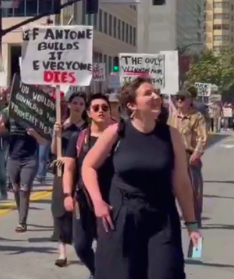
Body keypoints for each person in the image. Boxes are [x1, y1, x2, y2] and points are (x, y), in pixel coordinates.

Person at [82, 78, 202, 279]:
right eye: (148, 93)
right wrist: (97, 202)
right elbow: (88, 166)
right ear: (131, 105)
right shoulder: (116, 133)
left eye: (156, 93)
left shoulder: (171, 135)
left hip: (161, 219)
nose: (155, 96)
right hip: (122, 219)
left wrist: (192, 225)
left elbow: (182, 183)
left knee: (166, 273)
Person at [63, 93, 116, 278]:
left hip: (111, 200)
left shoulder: (118, 138)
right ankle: (98, 273)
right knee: (81, 245)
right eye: (96, 108)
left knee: (105, 244)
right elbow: (69, 168)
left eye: (105, 107)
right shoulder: (79, 138)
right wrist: (67, 195)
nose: (101, 111)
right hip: (83, 200)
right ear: (88, 113)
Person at [0, 91, 53, 236]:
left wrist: (34, 134)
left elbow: (44, 141)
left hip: (30, 158)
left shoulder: (34, 116)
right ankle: (21, 213)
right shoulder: (8, 114)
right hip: (13, 158)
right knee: (16, 190)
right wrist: (2, 118)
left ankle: (22, 221)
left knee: (24, 189)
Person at [50, 92, 87, 265]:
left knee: (81, 209)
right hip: (62, 172)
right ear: (69, 105)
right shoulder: (61, 125)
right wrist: (56, 133)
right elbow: (53, 150)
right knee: (60, 210)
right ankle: (62, 253)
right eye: (75, 103)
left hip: (82, 172)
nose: (78, 106)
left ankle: (84, 244)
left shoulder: (87, 127)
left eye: (81, 103)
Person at [167, 87, 208, 228]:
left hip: (189, 155)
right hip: (173, 155)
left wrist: (197, 153)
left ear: (189, 101)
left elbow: (202, 138)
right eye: (177, 98)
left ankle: (196, 218)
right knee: (170, 188)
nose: (179, 101)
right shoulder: (172, 117)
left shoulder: (197, 116)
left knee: (194, 189)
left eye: (182, 98)